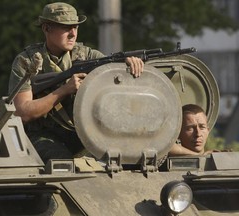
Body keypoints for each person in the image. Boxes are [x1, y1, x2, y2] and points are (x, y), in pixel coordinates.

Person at [8, 2, 144, 164]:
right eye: (66, 27)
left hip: (84, 133)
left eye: (75, 27)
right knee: (61, 162)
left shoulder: (88, 56)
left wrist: (127, 63)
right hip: (43, 136)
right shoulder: (27, 61)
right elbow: (23, 112)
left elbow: (113, 70)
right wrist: (64, 90)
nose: (73, 33)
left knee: (124, 157)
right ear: (46, 28)